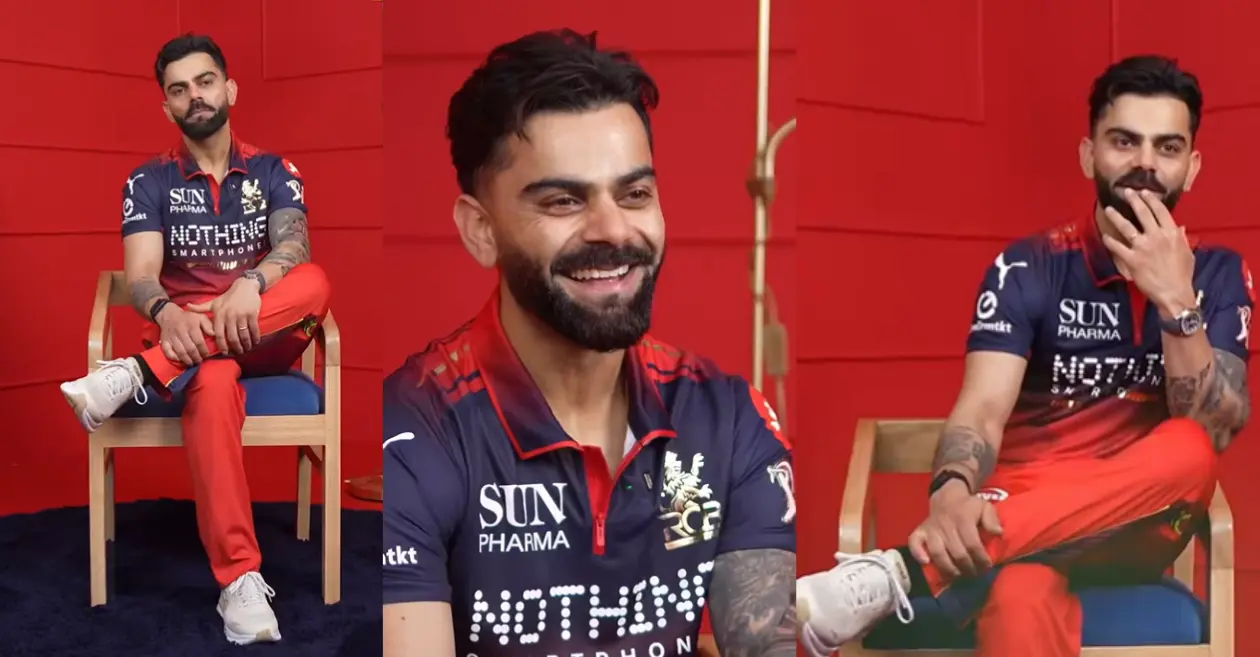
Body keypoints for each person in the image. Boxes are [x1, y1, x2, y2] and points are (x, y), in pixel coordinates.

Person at [796, 55, 1253, 657]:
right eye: (1124, 141)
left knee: (1189, 448)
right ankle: (931, 568)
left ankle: (903, 572)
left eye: (1167, 147)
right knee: (1017, 599)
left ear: (1191, 167)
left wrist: (1174, 299)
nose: (1145, 163)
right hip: (1021, 522)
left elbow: (1213, 429)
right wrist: (950, 495)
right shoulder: (1029, 267)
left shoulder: (1218, 274)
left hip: (1137, 527)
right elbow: (983, 409)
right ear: (1089, 154)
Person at [380, 29, 797, 657]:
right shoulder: (417, 428)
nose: (613, 230)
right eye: (563, 201)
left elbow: (767, 643)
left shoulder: (728, 416)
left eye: (635, 194)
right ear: (481, 230)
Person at [59, 34, 331, 645]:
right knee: (212, 377)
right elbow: (141, 279)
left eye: (205, 82)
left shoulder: (274, 171)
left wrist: (249, 286)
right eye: (179, 89)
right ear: (167, 107)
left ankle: (136, 371)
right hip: (186, 349)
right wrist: (166, 312)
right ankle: (240, 580)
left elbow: (294, 248)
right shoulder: (148, 180)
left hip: (265, 333)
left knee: (315, 283)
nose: (195, 96)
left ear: (229, 88)